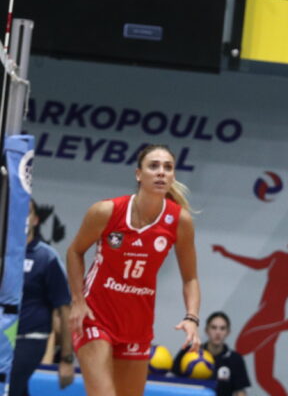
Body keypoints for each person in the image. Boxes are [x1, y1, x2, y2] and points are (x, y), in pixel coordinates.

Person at [66, 144, 201, 396]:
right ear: (138, 174)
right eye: (154, 166)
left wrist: (191, 317)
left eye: (168, 167)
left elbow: (190, 278)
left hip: (137, 324)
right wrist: (77, 301)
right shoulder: (106, 211)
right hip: (95, 315)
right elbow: (75, 251)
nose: (161, 172)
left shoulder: (179, 220)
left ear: (173, 176)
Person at [212, 226, 288, 396]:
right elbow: (257, 265)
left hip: (271, 312)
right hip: (274, 312)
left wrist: (227, 254)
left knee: (242, 346)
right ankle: (287, 324)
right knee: (265, 379)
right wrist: (227, 254)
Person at [9, 200, 74, 396]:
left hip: (30, 338)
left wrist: (66, 358)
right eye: (17, 210)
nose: (22, 216)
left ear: (36, 220)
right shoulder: (5, 254)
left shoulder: (46, 257)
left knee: (9, 386)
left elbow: (64, 309)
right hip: (4, 336)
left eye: (27, 212)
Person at [172, 311, 250, 396]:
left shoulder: (235, 359)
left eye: (222, 328)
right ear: (206, 330)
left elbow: (240, 391)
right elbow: (172, 381)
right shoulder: (190, 351)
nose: (218, 332)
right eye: (213, 327)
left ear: (228, 332)